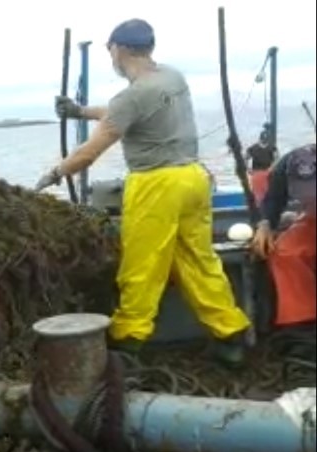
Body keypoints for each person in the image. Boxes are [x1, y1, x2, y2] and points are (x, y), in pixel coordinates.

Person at [35, 19, 251, 366]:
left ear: (119, 49)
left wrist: (54, 173)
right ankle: (231, 335)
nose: (111, 57)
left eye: (110, 50)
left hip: (155, 186)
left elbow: (89, 153)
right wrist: (79, 112)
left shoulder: (132, 96)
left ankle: (128, 341)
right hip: (194, 179)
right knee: (199, 261)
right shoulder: (172, 77)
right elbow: (122, 113)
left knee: (141, 266)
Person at [250, 142, 316, 332]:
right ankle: (302, 320)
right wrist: (265, 224)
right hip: (312, 217)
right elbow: (273, 199)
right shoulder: (284, 166)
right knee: (284, 252)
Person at [247, 127, 279, 204]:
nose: (264, 140)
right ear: (260, 139)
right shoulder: (253, 148)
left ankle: (267, 206)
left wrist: (271, 168)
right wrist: (248, 169)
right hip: (257, 173)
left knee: (269, 193)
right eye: (263, 139)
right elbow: (245, 158)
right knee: (258, 194)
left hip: (268, 173)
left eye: (266, 139)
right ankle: (259, 206)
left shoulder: (272, 147)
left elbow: (277, 158)